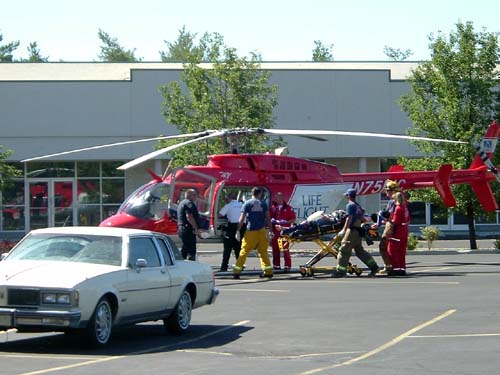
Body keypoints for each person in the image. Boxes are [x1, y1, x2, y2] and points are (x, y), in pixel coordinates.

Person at [332, 188, 380, 278]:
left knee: (344, 250)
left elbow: (348, 218)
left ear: (349, 196)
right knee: (360, 251)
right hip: (358, 231)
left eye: (347, 195)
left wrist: (344, 230)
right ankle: (374, 267)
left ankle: (340, 271)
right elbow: (363, 219)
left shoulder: (350, 205)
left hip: (352, 231)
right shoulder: (358, 206)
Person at [233, 187, 273, 279]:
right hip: (262, 230)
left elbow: (242, 219)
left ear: (252, 193)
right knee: (263, 251)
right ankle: (268, 271)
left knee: (244, 251)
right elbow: (268, 218)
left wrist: (238, 230)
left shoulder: (247, 203)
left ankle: (237, 271)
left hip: (251, 231)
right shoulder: (263, 204)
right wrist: (270, 230)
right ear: (259, 194)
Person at [372, 180, 400, 275]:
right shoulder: (391, 202)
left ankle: (389, 267)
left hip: (391, 228)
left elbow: (390, 217)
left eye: (387, 190)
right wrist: (378, 223)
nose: (386, 192)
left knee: (382, 246)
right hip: (389, 226)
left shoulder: (393, 202)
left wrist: (381, 216)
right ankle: (389, 266)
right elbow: (387, 218)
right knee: (386, 248)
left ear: (392, 191)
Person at [270, 192, 296, 271]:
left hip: (284, 232)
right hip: (275, 232)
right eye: (275, 198)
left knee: (285, 249)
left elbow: (293, 219)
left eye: (277, 198)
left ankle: (287, 265)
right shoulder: (273, 208)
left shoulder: (288, 208)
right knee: (275, 250)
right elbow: (269, 218)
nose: (275, 200)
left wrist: (284, 223)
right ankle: (276, 265)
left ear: (281, 198)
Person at [386, 191, 410, 276]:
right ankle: (402, 268)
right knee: (401, 251)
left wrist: (387, 220)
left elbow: (395, 221)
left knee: (392, 250)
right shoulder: (405, 208)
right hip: (404, 230)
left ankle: (396, 269)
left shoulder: (398, 208)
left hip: (398, 231)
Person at [218, 193, 243, 272]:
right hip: (241, 227)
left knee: (227, 249)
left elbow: (219, 215)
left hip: (231, 227)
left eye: (226, 199)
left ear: (229, 198)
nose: (226, 200)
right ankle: (240, 266)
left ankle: (224, 267)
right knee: (238, 248)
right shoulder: (241, 205)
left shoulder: (228, 205)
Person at [177, 189, 201, 261]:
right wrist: (196, 227)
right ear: (188, 195)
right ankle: (192, 267)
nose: (195, 197)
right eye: (194, 195)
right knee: (191, 250)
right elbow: (189, 217)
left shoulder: (182, 203)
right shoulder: (188, 203)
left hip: (183, 229)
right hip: (188, 229)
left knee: (185, 248)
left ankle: (181, 264)